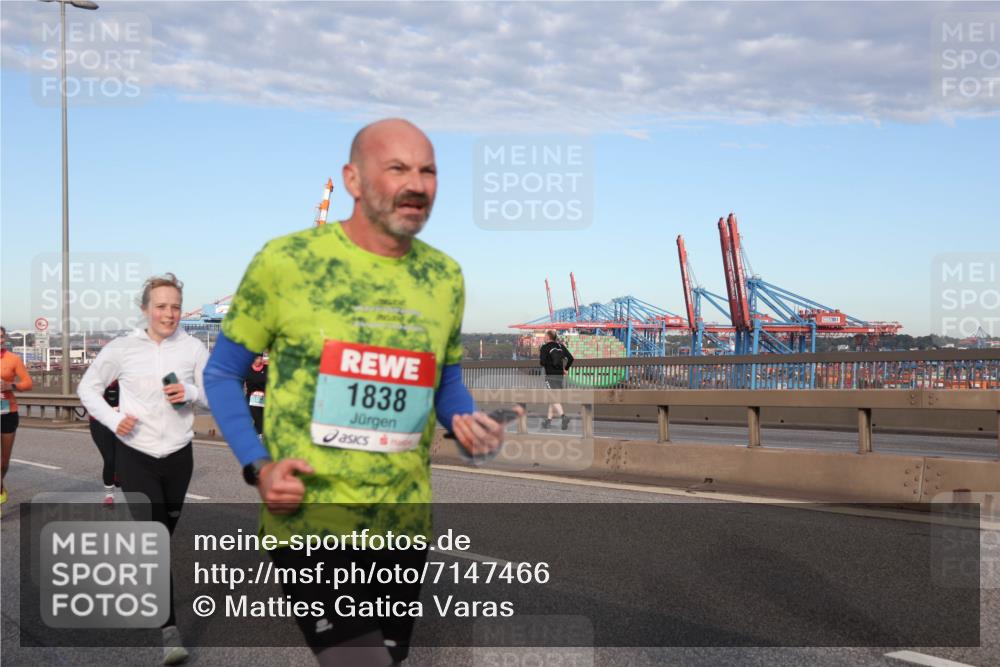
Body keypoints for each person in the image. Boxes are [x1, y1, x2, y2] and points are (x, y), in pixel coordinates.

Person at [204, 118, 519, 667]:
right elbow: (222, 374)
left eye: (428, 170)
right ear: (352, 179)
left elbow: (443, 380)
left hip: (404, 522)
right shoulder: (286, 262)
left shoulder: (445, 277)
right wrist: (258, 465)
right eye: (397, 168)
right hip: (312, 520)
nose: (417, 184)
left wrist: (465, 419)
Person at [78, 273, 209, 666]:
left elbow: (216, 395)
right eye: (161, 306)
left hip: (179, 456)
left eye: (174, 306)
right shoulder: (123, 347)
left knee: (163, 535)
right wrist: (112, 417)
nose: (169, 313)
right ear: (145, 309)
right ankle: (169, 631)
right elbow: (88, 388)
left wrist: (192, 394)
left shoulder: (193, 348)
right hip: (136, 455)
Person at [1, 326, 34, 506]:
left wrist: (10, 386)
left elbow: (28, 383)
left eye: (1, 336)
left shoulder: (12, 359)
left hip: (7, 412)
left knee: (4, 462)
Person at [87, 380, 121, 506]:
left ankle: (118, 472)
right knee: (110, 458)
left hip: (121, 420)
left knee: (124, 456)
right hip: (99, 421)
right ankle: (109, 495)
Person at [539, 329, 574, 430]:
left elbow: (542, 362)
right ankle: (548, 421)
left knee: (553, 397)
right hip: (560, 376)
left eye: (545, 336)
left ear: (548, 337)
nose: (544, 337)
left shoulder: (545, 347)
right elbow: (571, 358)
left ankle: (563, 416)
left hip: (550, 376)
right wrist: (565, 369)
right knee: (554, 398)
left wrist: (546, 362)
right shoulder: (560, 346)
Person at [244, 354, 267, 436]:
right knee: (257, 417)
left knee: (262, 419)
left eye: (261, 358)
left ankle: (256, 435)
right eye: (257, 358)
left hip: (265, 398)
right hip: (251, 399)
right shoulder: (247, 369)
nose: (259, 360)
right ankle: (258, 435)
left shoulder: (267, 369)